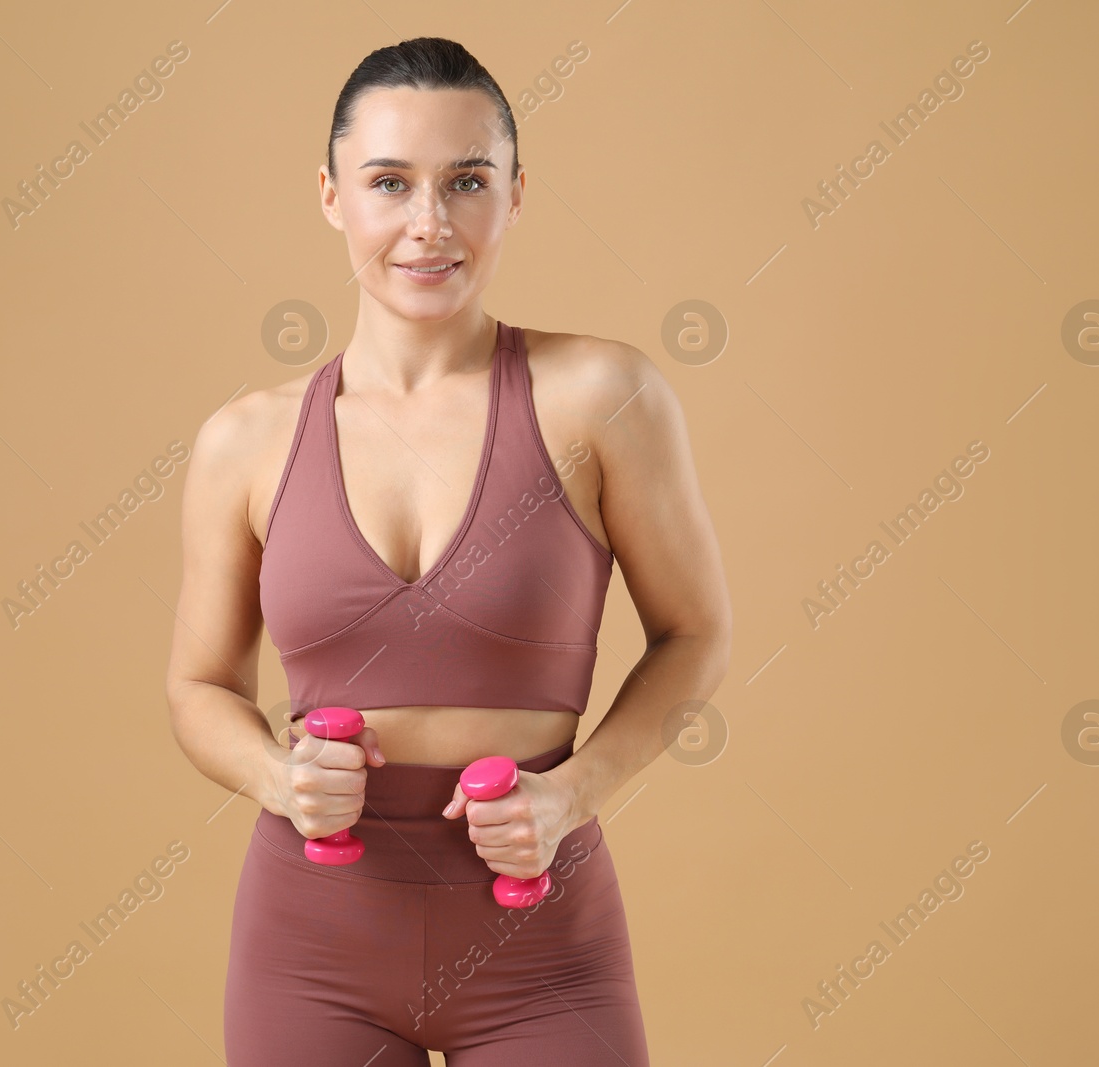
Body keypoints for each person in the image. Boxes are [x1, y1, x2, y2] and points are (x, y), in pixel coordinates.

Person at [165, 36, 731, 1065]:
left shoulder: (605, 397)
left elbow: (694, 633)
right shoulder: (242, 440)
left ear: (515, 196)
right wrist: (277, 778)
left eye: (467, 181)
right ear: (333, 196)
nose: (429, 224)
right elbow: (197, 685)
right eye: (390, 183)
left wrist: (571, 792)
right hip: (311, 945)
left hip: (540, 943)